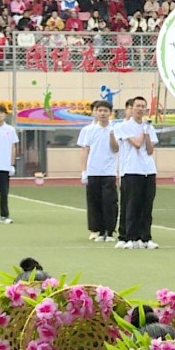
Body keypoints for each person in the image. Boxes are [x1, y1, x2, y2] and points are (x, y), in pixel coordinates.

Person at [114, 96, 159, 250]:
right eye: (137, 106)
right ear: (131, 108)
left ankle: (145, 237)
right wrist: (144, 131)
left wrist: (146, 132)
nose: (140, 109)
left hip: (148, 170)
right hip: (131, 170)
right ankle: (129, 236)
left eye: (143, 106)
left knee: (147, 205)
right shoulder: (124, 126)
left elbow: (150, 149)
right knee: (131, 205)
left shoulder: (148, 127)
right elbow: (136, 144)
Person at [78, 99, 119, 242]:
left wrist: (112, 134)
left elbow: (116, 148)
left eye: (105, 111)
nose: (102, 113)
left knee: (110, 202)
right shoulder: (88, 130)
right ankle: (96, 229)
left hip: (109, 171)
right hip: (93, 171)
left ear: (110, 113)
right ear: (95, 112)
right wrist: (84, 171)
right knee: (93, 201)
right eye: (99, 110)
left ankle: (109, 230)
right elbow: (85, 150)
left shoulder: (115, 128)